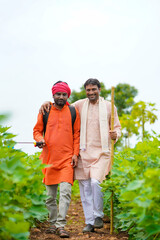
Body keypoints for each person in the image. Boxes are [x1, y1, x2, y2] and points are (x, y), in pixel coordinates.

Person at [39, 78, 121, 233]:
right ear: (85, 91)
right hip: (83, 152)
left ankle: (98, 215)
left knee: (96, 183)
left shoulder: (110, 107)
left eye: (93, 89)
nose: (91, 92)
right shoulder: (79, 105)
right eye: (88, 90)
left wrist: (115, 133)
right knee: (84, 190)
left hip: (102, 152)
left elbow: (117, 127)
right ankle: (89, 222)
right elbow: (61, 104)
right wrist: (46, 103)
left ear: (99, 89)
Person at [33, 81, 80, 238]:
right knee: (50, 197)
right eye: (58, 94)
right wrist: (39, 139)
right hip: (49, 159)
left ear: (68, 95)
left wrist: (75, 154)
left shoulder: (73, 111)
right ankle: (52, 223)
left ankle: (61, 225)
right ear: (53, 95)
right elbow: (37, 131)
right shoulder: (45, 111)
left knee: (65, 192)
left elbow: (76, 135)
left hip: (67, 159)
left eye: (64, 94)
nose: (61, 97)